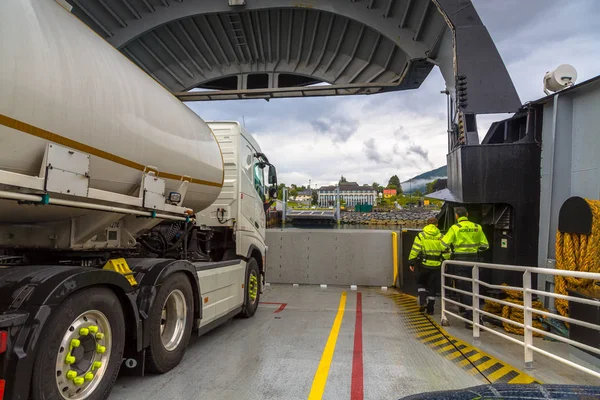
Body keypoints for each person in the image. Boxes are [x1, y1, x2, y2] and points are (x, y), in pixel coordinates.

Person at [441, 206, 489, 328]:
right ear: (467, 214)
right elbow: (485, 245)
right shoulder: (477, 227)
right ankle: (473, 314)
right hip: (474, 261)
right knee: (474, 287)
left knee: (465, 289)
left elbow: (443, 244)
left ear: (457, 216)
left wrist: (450, 251)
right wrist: (474, 249)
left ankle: (471, 317)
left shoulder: (455, 228)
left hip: (460, 261)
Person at [408, 217, 448, 315]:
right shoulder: (441, 236)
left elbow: (415, 249)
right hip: (436, 265)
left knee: (421, 283)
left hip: (423, 265)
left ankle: (422, 302)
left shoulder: (421, 235)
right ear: (437, 225)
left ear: (426, 224)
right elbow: (446, 251)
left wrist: (411, 262)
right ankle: (430, 309)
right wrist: (445, 261)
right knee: (432, 287)